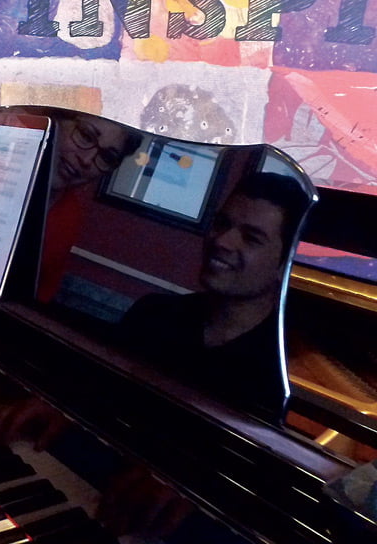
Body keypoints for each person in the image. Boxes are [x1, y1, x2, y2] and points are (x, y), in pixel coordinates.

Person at [118, 171, 311, 418]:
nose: (222, 241)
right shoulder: (151, 315)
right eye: (222, 224)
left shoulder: (284, 370)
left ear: (286, 264)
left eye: (251, 238)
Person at [37, 112, 144, 302]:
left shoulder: (69, 217)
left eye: (106, 157)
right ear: (56, 120)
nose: (87, 160)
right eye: (86, 136)